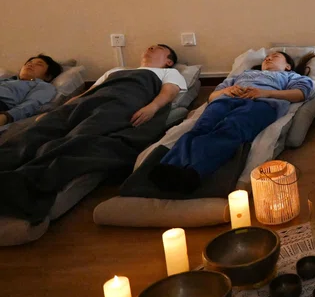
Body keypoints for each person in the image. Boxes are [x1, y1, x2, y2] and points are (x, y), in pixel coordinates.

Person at [0, 43, 186, 223]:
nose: (151, 48)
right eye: (150, 46)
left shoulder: (168, 73)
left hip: (122, 102)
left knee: (81, 137)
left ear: (168, 61)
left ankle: (19, 184)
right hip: (86, 102)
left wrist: (153, 107)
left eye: (159, 48)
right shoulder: (115, 71)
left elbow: (169, 92)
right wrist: (58, 111)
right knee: (37, 131)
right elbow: (88, 92)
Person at [150, 51, 315, 193]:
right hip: (225, 100)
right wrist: (227, 90)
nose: (268, 58)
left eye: (275, 56)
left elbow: (302, 93)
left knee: (231, 129)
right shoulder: (243, 75)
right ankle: (167, 168)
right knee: (199, 129)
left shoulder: (291, 76)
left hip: (260, 104)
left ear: (287, 66)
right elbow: (212, 96)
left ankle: (194, 172)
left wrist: (265, 93)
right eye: (266, 57)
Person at [0, 55, 63, 127]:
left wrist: (6, 117)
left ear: (48, 76)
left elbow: (31, 104)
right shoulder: (7, 80)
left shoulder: (43, 86)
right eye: (29, 63)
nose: (30, 65)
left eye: (39, 64)